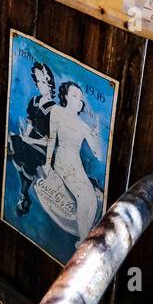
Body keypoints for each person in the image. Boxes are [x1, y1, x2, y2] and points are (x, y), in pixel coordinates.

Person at [47, 81, 103, 240]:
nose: (78, 100)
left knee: (92, 200)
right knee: (84, 198)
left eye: (80, 97)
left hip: (76, 165)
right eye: (74, 95)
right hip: (62, 162)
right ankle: (84, 241)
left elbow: (98, 154)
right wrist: (48, 164)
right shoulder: (56, 111)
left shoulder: (83, 126)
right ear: (65, 96)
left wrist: (95, 135)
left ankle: (83, 239)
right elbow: (51, 138)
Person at [7, 61, 58, 216]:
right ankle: (23, 194)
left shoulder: (54, 110)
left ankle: (23, 194)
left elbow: (51, 141)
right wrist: (25, 137)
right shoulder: (34, 101)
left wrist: (30, 141)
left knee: (27, 157)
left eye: (43, 82)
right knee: (12, 141)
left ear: (50, 83)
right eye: (38, 81)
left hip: (43, 147)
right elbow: (29, 124)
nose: (40, 85)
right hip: (30, 139)